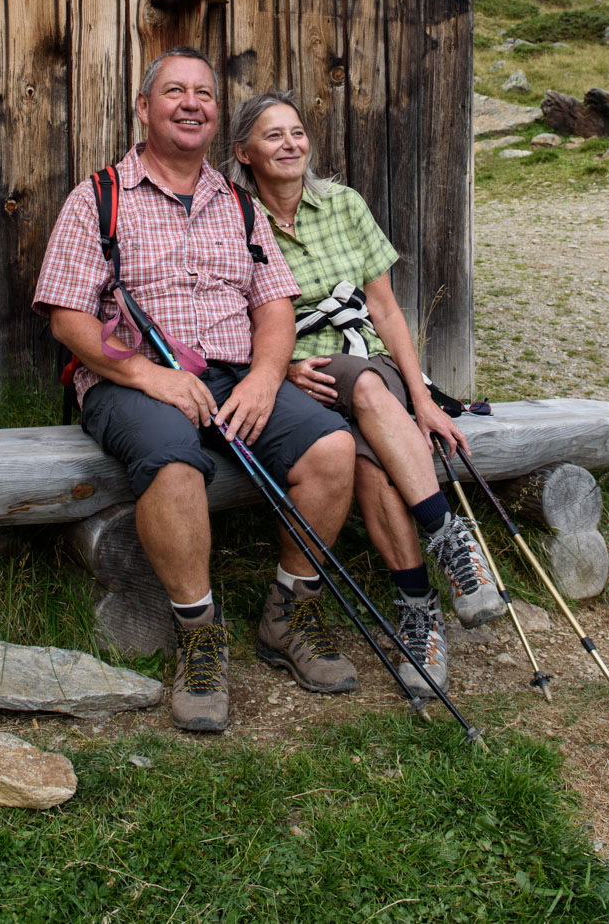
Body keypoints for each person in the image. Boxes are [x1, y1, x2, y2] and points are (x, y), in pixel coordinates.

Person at [33, 47, 358, 735]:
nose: (190, 103)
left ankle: (288, 611)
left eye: (204, 94)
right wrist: (150, 376)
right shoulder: (99, 198)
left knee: (332, 449)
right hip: (131, 378)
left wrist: (267, 379)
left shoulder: (237, 204)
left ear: (215, 114)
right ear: (144, 108)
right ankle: (199, 632)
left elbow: (272, 308)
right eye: (174, 91)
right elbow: (68, 316)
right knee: (174, 465)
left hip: (235, 377)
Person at [229, 89, 505, 702]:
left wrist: (424, 395)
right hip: (294, 378)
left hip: (360, 362)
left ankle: (443, 552)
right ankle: (425, 594)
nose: (290, 144)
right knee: (367, 467)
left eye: (297, 132)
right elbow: (224, 314)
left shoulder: (344, 204)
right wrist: (275, 370)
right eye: (273, 136)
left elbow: (383, 306)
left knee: (367, 385)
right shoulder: (232, 216)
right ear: (245, 152)